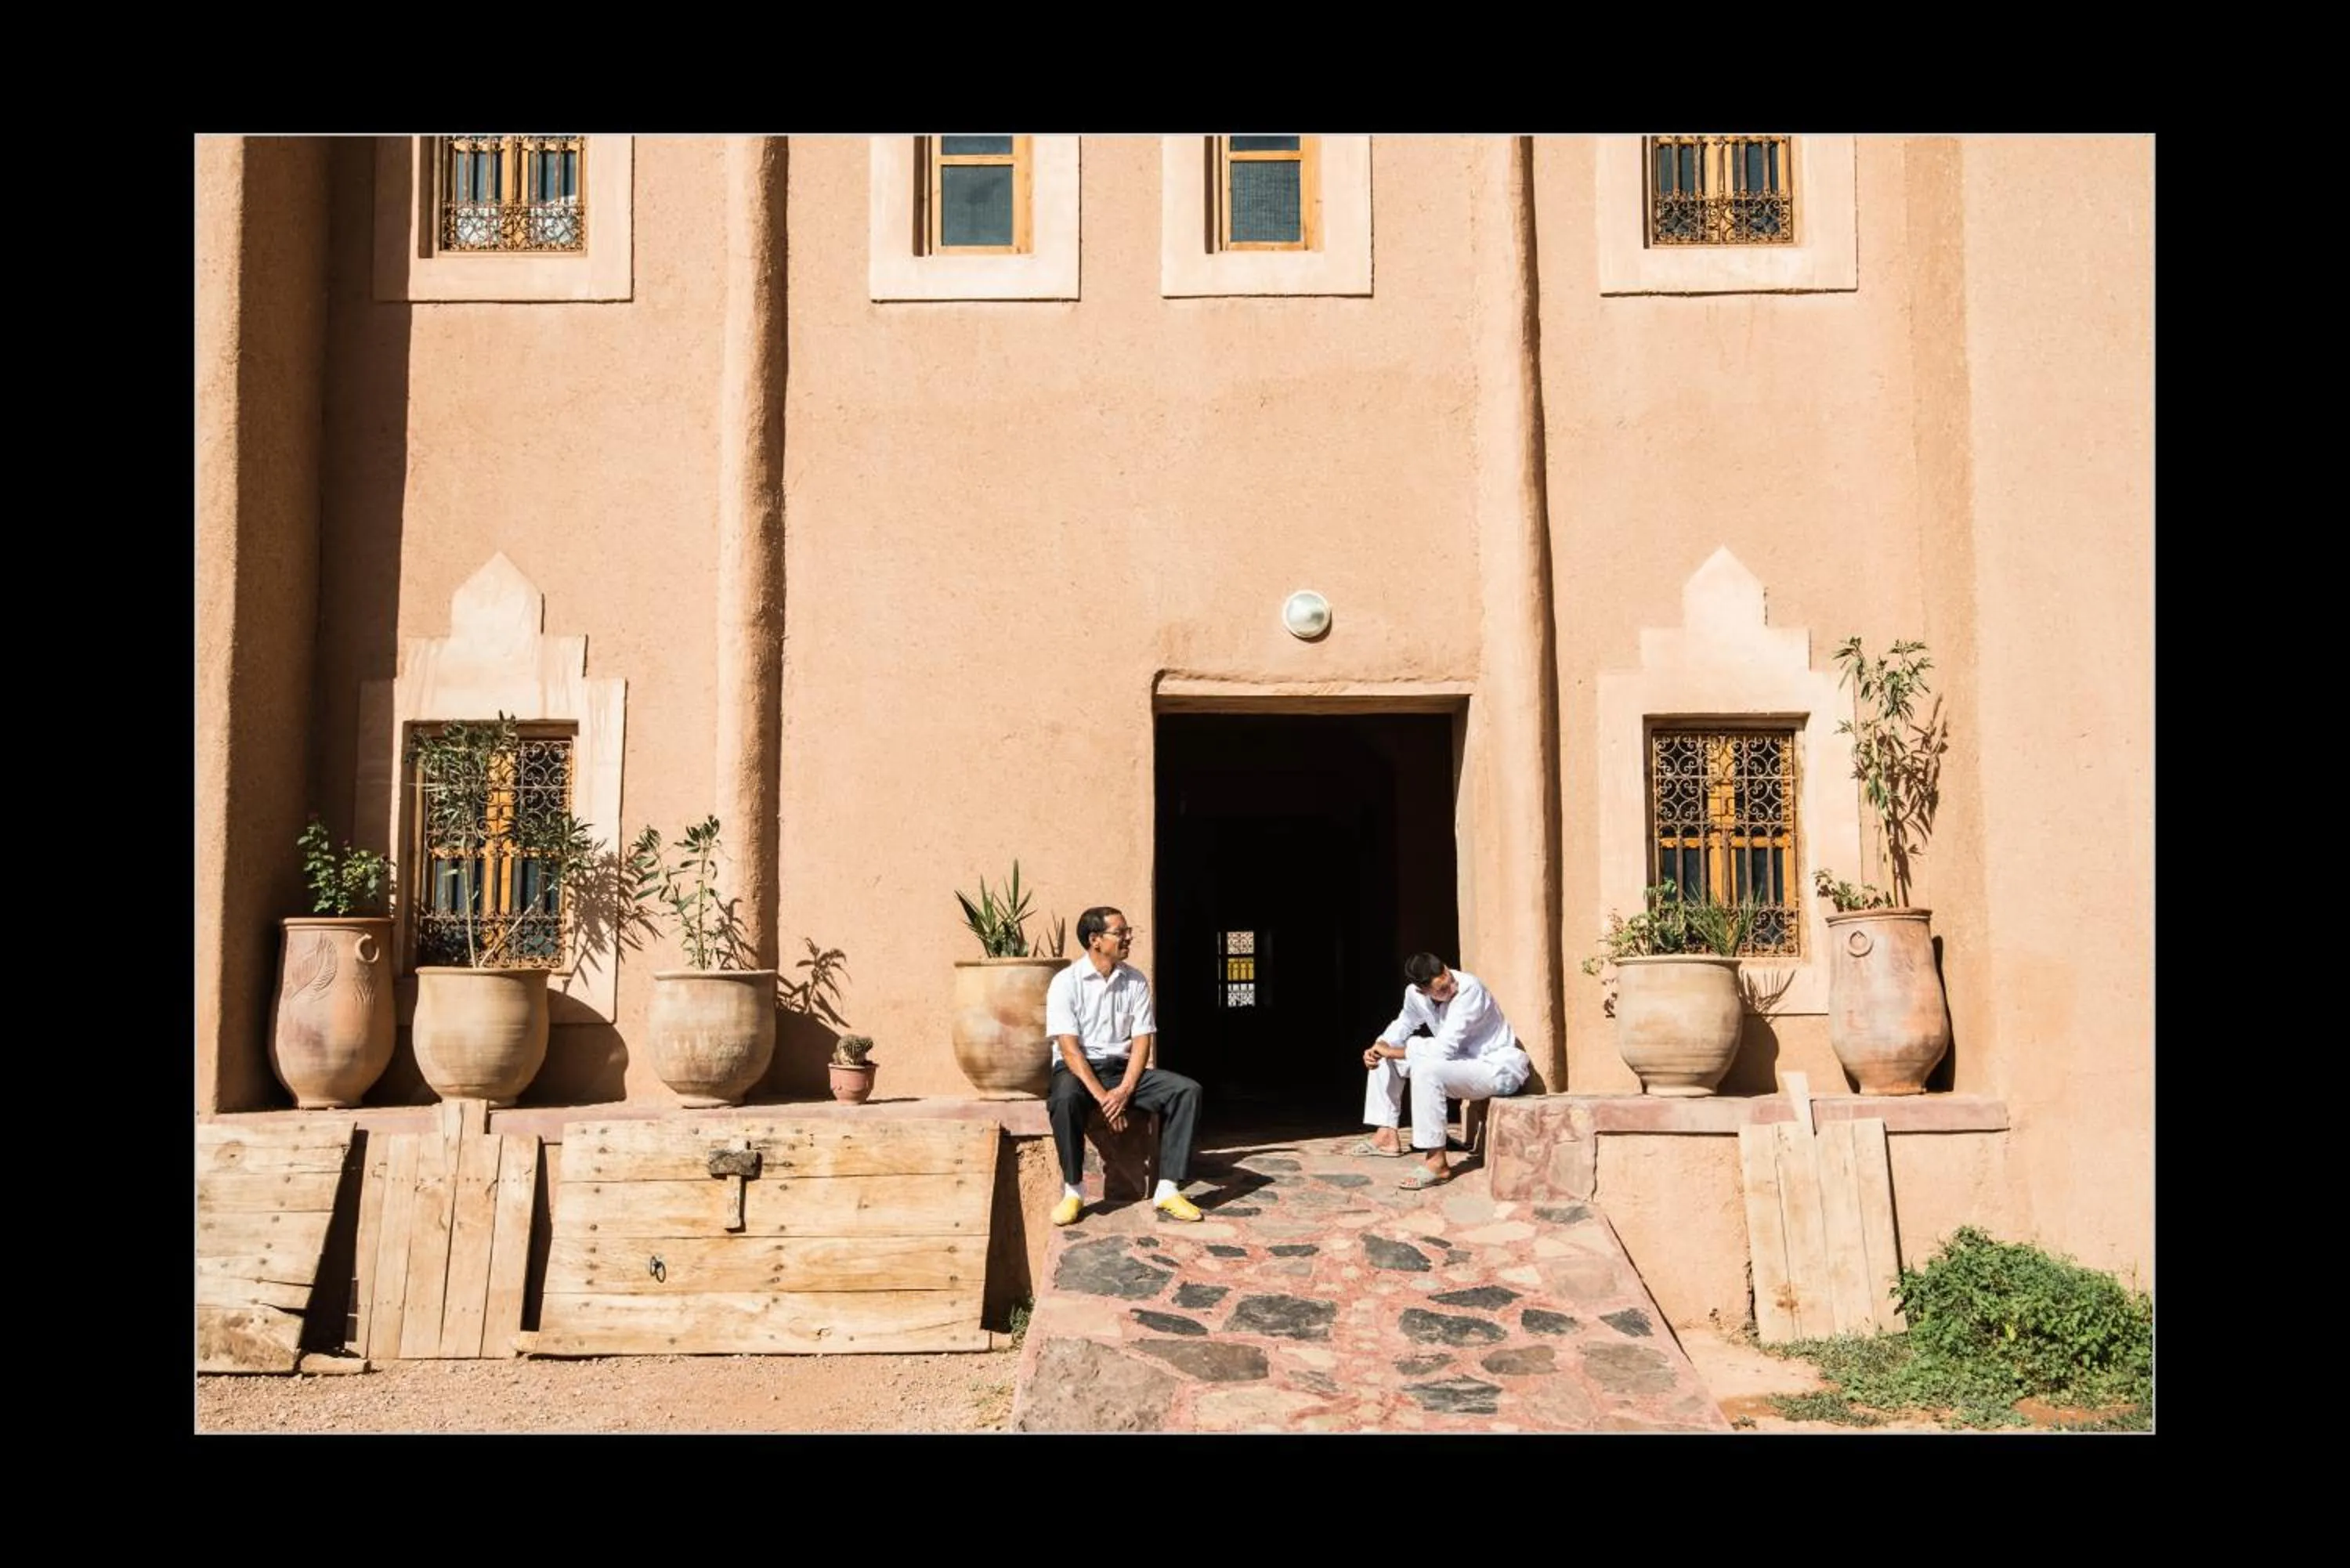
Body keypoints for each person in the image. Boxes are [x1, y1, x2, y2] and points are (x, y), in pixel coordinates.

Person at [1043, 905, 1205, 1227]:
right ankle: (1073, 1191)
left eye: (1128, 931)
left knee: (1186, 1091)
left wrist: (1125, 1090)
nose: (1128, 937)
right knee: (1064, 1099)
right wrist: (1105, 1098)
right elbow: (1070, 1051)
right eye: (1120, 932)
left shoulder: (1135, 981)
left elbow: (1143, 1040)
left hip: (1121, 1070)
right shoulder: (1066, 982)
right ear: (1095, 940)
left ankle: (1167, 1189)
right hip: (1078, 1070)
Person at [1359, 952, 1531, 1189]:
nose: (1452, 987)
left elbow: (1443, 1049)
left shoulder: (1469, 989)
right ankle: (1386, 1134)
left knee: (1426, 1070)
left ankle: (1437, 1163)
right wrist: (1380, 1046)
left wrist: (1395, 1050)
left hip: (1495, 1068)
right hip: (1458, 1064)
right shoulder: (1414, 995)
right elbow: (1404, 1023)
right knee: (1384, 1056)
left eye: (1449, 977)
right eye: (1442, 989)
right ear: (1422, 991)